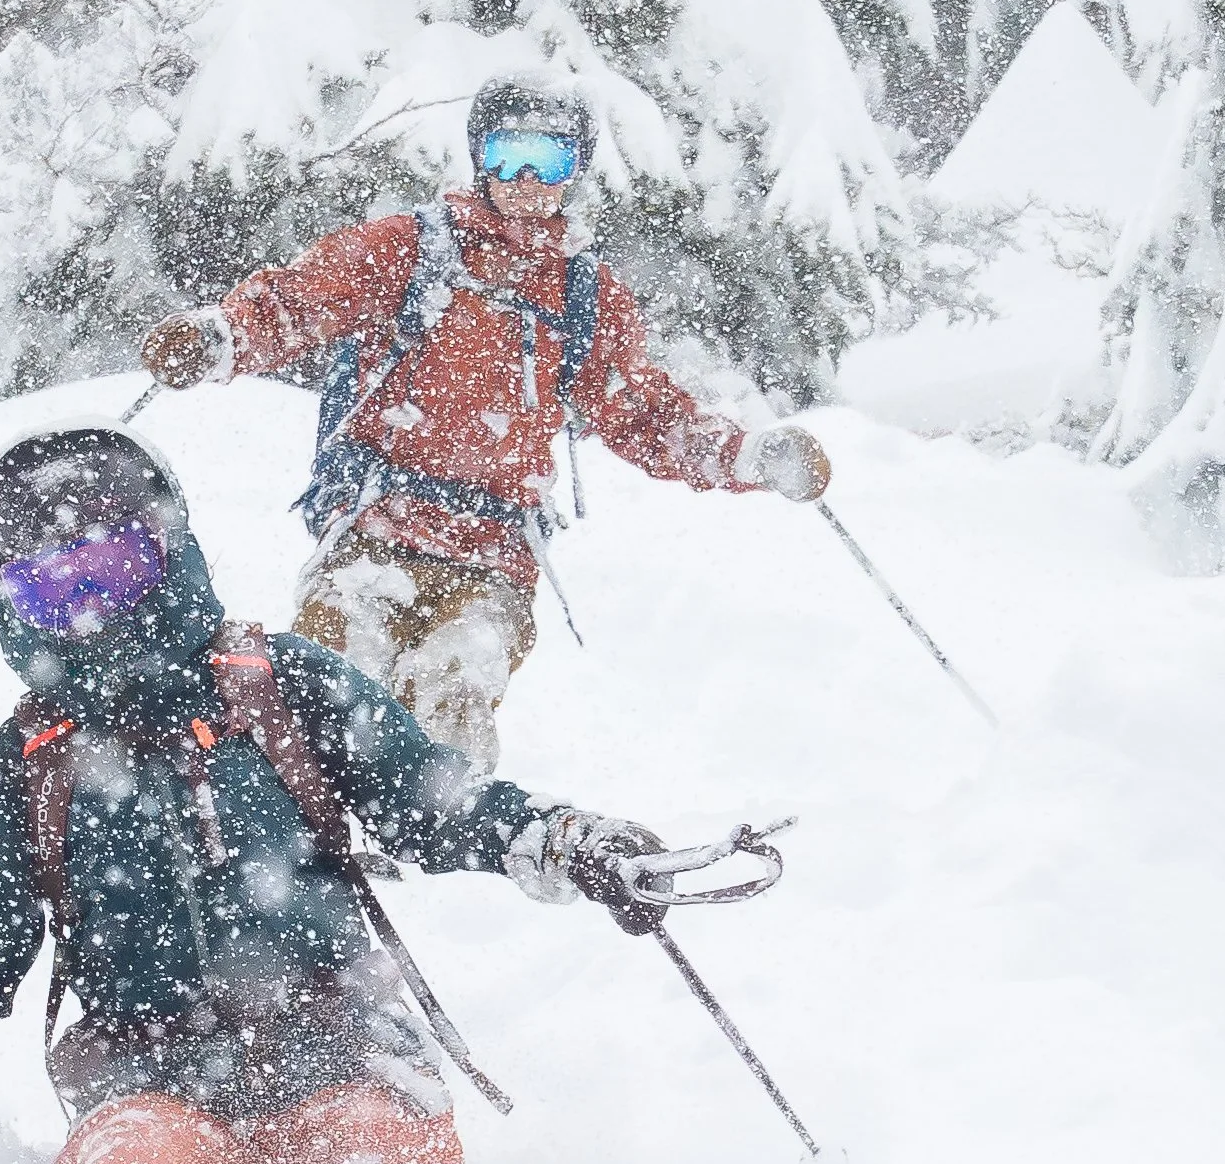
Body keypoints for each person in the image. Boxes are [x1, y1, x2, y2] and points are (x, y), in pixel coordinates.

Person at [0, 426, 685, 1164]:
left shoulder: (279, 684)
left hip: (341, 1037)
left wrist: (561, 841)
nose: (88, 608)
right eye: (47, 586)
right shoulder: (22, 770)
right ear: (12, 604)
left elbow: (433, 800)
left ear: (166, 552)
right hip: (145, 1073)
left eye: (109, 567)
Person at [140, 76, 832, 767]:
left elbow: (643, 411)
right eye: (509, 156)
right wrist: (221, 336)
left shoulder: (583, 294)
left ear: (576, 169)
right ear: (480, 158)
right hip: (377, 530)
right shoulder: (411, 250)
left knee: (455, 702)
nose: (528, 179)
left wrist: (744, 457)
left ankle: (440, 848)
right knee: (333, 691)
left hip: (494, 557)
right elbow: (302, 299)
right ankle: (317, 842)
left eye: (551, 159)